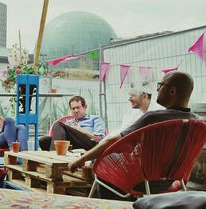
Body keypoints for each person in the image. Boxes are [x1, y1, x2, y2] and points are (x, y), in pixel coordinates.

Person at [68, 71, 199, 199]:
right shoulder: (198, 123)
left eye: (160, 86)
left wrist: (81, 159)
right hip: (173, 180)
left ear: (172, 91)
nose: (157, 90)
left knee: (103, 167)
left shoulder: (153, 117)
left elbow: (111, 141)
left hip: (139, 181)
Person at [39, 96, 106, 151]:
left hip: (90, 145)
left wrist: (80, 129)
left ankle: (54, 157)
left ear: (85, 107)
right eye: (73, 108)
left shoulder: (95, 119)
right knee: (44, 141)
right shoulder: (69, 122)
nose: (76, 111)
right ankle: (58, 156)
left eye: (78, 107)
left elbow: (100, 138)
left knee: (58, 124)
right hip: (73, 145)